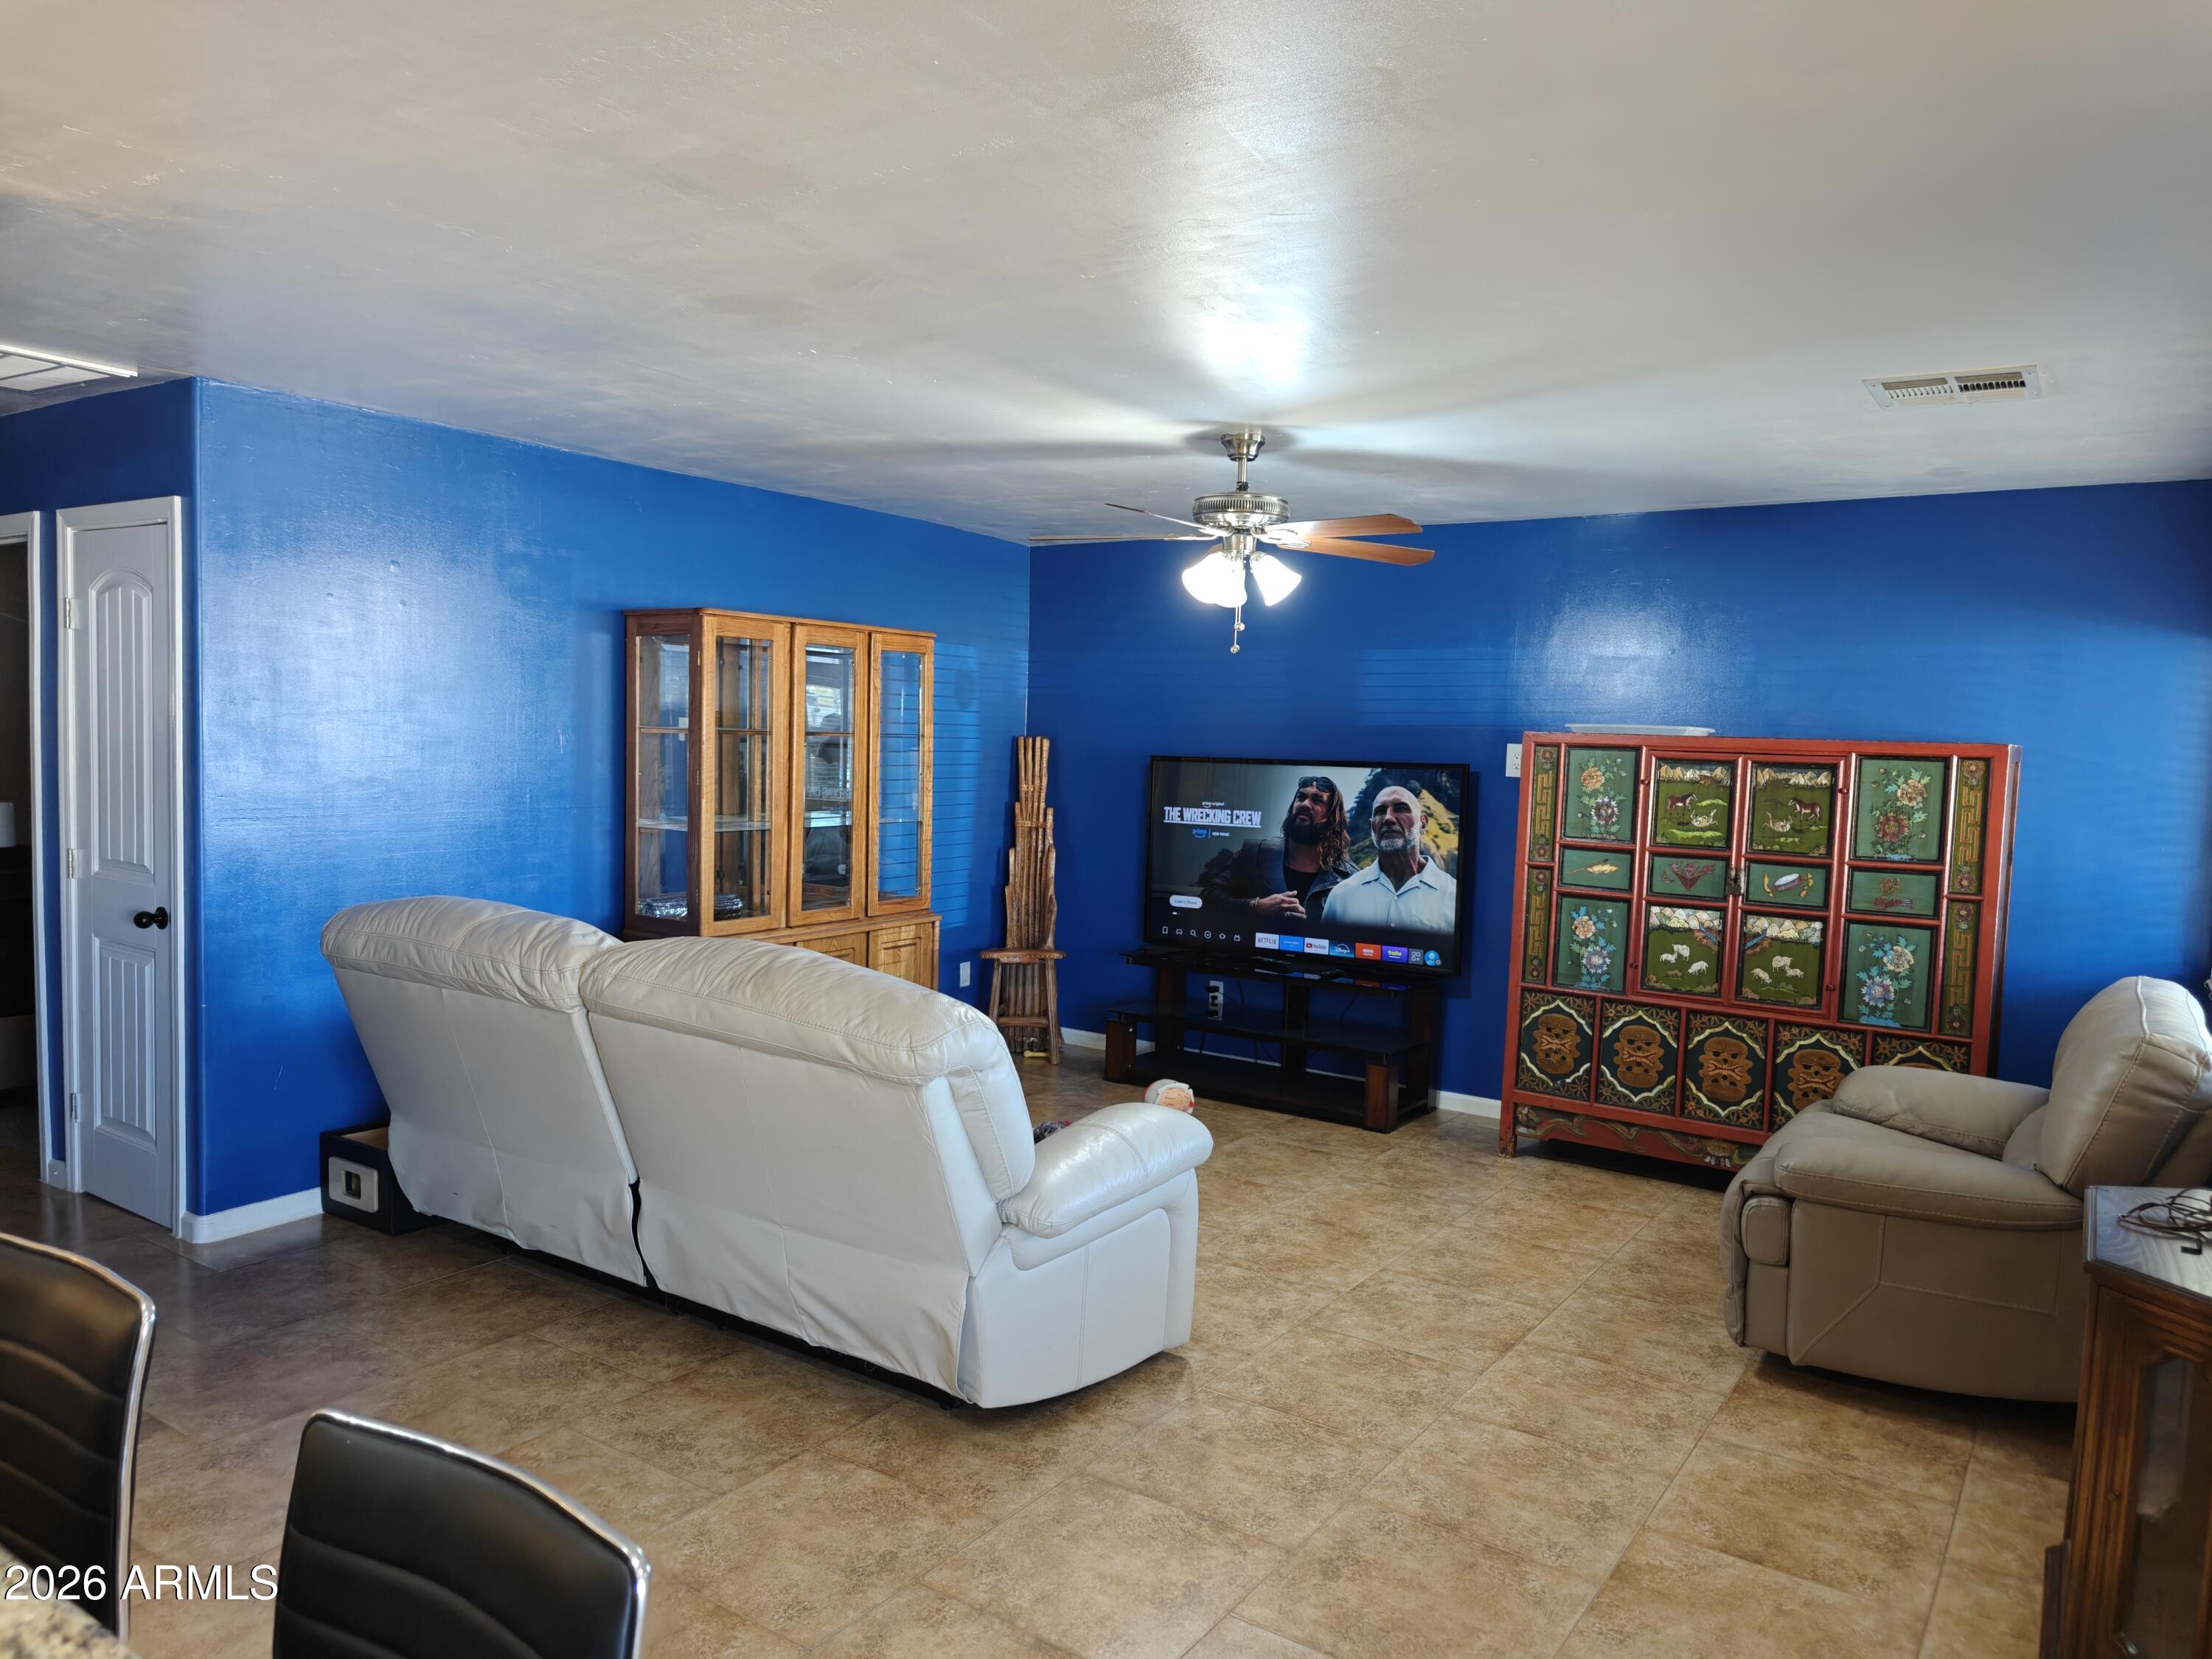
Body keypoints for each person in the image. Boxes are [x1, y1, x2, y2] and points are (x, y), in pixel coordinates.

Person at [1197, 774, 1354, 929]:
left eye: (1317, 800)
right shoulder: (1253, 855)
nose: (1305, 804)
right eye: (1301, 797)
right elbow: (1208, 898)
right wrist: (1255, 907)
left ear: (1333, 818)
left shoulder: (1349, 878)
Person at [1321, 785, 1458, 936]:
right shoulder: (1340, 897)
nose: (1388, 819)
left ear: (1423, 823)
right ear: (1371, 826)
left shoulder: (1454, 897)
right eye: (1380, 812)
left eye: (1401, 809)